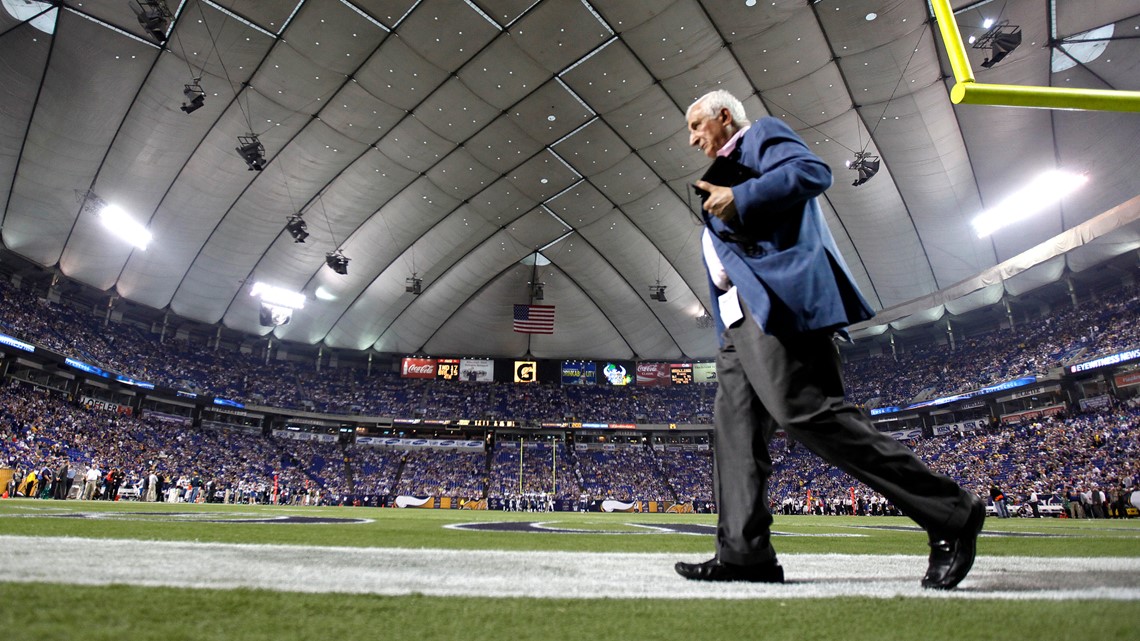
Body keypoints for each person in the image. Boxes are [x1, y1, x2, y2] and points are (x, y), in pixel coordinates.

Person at [673, 90, 984, 590]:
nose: (692, 139)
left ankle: (950, 510)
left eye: (696, 126)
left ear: (723, 116)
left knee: (807, 412)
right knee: (734, 433)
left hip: (774, 307)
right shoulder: (729, 165)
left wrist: (742, 197)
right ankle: (743, 554)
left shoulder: (761, 134)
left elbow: (814, 172)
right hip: (736, 321)